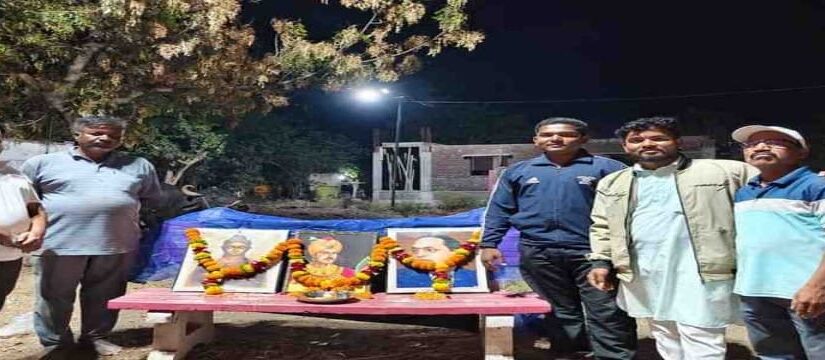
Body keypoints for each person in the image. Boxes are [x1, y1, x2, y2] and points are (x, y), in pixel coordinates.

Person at [588, 117, 758, 360]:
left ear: (677, 142)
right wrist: (601, 262)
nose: (647, 144)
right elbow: (602, 225)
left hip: (701, 268)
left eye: (658, 138)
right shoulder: (614, 182)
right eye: (636, 140)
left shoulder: (724, 171)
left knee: (701, 332)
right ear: (626, 147)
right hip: (644, 269)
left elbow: (773, 184)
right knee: (664, 332)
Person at [481, 117, 637, 359]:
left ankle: (613, 355)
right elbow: (499, 209)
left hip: (595, 252)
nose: (555, 139)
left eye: (566, 134)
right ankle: (571, 352)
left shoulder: (608, 169)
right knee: (559, 309)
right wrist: (489, 243)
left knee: (606, 308)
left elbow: (632, 209)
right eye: (547, 135)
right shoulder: (519, 172)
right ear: (536, 141)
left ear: (583, 139)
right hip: (539, 252)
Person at [22, 115, 161, 357]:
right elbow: (24, 199)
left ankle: (95, 338)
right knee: (54, 297)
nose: (105, 138)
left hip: (116, 243)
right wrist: (29, 230)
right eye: (96, 133)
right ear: (77, 135)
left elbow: (151, 199)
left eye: (113, 135)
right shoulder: (42, 163)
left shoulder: (139, 165)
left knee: (106, 295)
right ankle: (55, 343)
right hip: (59, 243)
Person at [731, 125, 825, 359]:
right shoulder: (744, 192)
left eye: (774, 142)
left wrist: (817, 287)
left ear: (801, 152)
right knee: (773, 354)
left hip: (807, 293)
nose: (761, 147)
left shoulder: (816, 186)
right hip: (755, 290)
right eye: (752, 144)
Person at [0, 126, 47, 311]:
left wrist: (36, 233)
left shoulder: (14, 175)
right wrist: (8, 239)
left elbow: (34, 209)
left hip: (10, 257)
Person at [396, 235, 478, 288]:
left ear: (454, 251)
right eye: (415, 251)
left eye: (429, 250)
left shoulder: (473, 277)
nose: (420, 255)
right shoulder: (401, 277)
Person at [186, 234, 264, 288]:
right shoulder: (211, 261)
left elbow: (260, 282)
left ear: (247, 249)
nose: (235, 249)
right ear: (225, 247)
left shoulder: (252, 263)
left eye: (241, 247)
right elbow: (193, 279)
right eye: (231, 246)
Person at [287, 236, 356, 292]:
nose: (330, 255)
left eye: (334, 253)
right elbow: (292, 290)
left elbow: (357, 289)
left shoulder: (345, 271)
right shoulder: (301, 271)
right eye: (325, 252)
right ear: (314, 254)